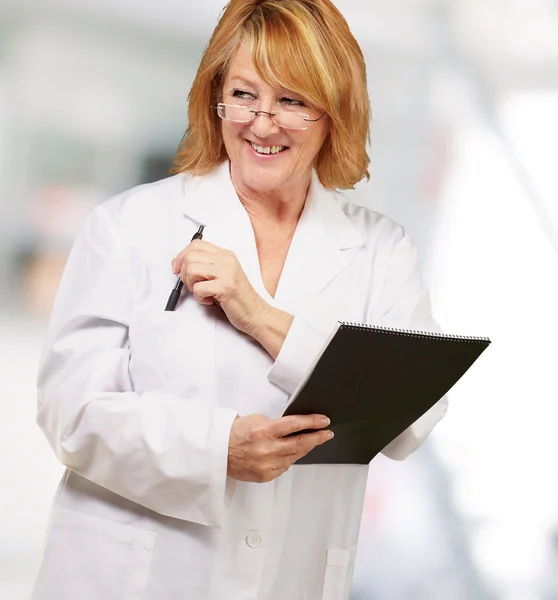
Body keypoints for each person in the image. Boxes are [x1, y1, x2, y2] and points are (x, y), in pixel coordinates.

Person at [30, 1, 448, 599]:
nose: (262, 123)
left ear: (334, 112)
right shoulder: (130, 226)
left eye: (293, 101)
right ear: (215, 97)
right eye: (245, 94)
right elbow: (71, 412)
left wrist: (259, 316)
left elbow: (411, 417)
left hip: (288, 577)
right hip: (129, 577)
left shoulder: (381, 252)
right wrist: (216, 448)